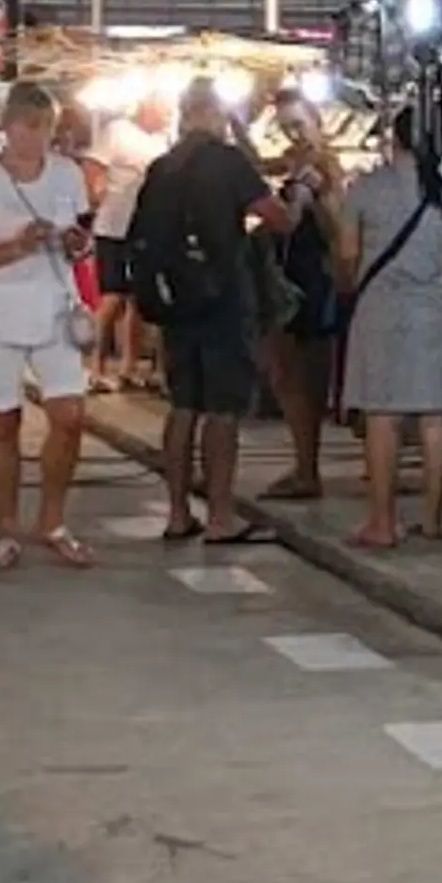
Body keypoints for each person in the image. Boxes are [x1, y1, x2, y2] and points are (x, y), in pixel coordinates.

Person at [0, 81, 96, 571]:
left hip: (54, 303)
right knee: (3, 419)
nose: (34, 137)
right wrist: (16, 246)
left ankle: (52, 520)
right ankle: (7, 526)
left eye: (44, 128)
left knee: (70, 416)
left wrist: (75, 243)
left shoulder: (68, 174)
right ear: (8, 128)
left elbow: (81, 237)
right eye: (26, 127)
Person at [129, 84, 283, 545]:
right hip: (222, 299)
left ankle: (177, 513)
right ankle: (220, 516)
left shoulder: (162, 167)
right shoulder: (227, 161)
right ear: (215, 114)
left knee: (182, 407)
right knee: (222, 410)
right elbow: (274, 216)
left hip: (176, 301)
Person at [335, 110, 442, 549]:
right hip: (433, 309)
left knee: (383, 415)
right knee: (436, 415)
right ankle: (432, 521)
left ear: (392, 139)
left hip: (380, 308)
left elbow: (346, 255)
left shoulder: (365, 190)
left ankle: (382, 522)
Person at [260, 103, 356, 501]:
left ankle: (306, 468)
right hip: (290, 279)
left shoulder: (327, 172)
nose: (292, 135)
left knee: (302, 376)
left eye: (298, 125)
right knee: (287, 375)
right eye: (284, 127)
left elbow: (339, 232)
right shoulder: (293, 168)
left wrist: (312, 197)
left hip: (313, 283)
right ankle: (303, 464)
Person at [87, 87, 172, 395]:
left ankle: (129, 365)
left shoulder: (163, 141)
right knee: (113, 296)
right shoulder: (117, 131)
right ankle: (96, 366)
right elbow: (94, 167)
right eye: (163, 108)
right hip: (113, 226)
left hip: (146, 228)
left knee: (140, 297)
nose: (167, 115)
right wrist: (95, 199)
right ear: (147, 105)